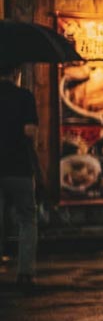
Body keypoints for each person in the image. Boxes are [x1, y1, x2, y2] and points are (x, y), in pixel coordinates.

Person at [0, 61, 39, 291]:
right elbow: (29, 131)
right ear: (15, 72)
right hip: (20, 168)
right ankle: (25, 273)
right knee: (27, 220)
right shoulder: (25, 97)